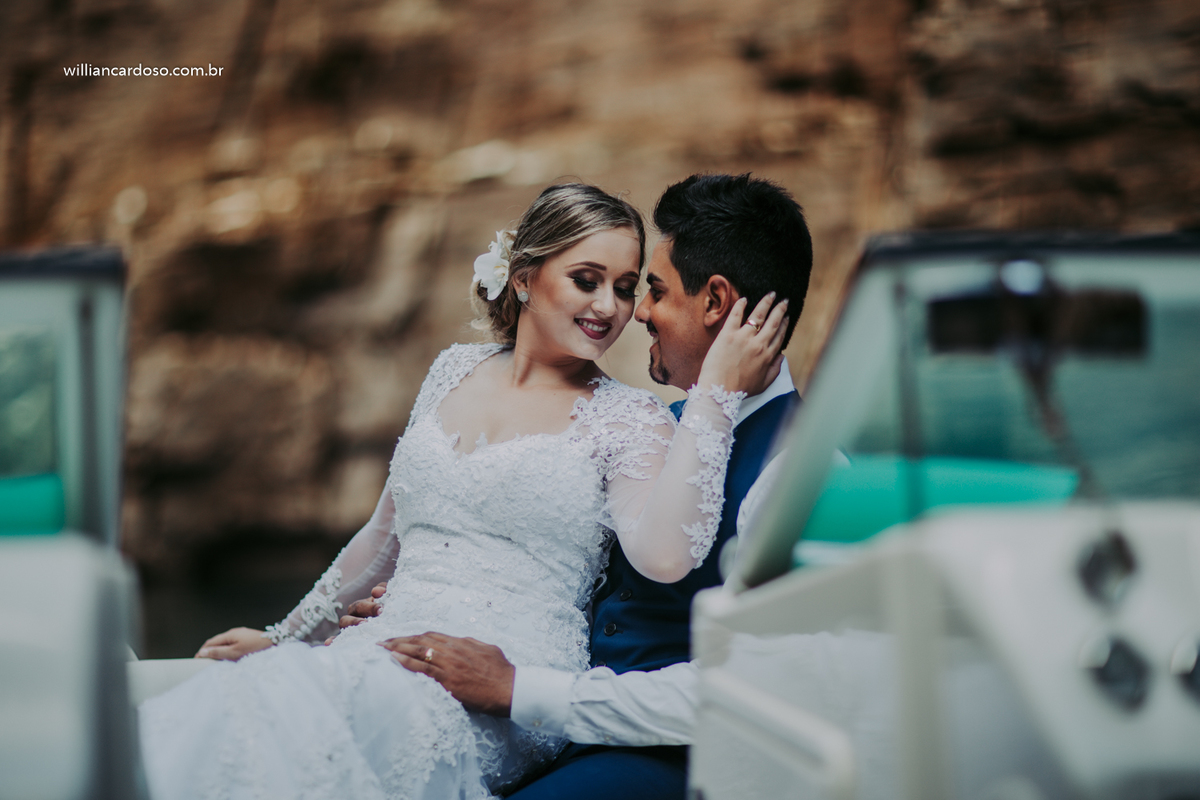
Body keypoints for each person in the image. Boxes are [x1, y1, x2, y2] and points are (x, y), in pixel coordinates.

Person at [143, 181, 789, 800]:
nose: (612, 308)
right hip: (386, 645)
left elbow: (666, 555)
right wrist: (285, 639)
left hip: (501, 678)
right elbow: (379, 540)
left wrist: (715, 396)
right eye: (587, 281)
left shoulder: (629, 419)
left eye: (625, 288)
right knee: (253, 704)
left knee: (322, 722)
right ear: (525, 276)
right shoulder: (452, 369)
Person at [342, 173, 813, 800]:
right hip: (557, 730)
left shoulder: (801, 473)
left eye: (649, 289)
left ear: (716, 301)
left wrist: (523, 690)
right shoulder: (659, 429)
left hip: (673, 756)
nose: (634, 311)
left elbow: (764, 690)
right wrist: (420, 600)